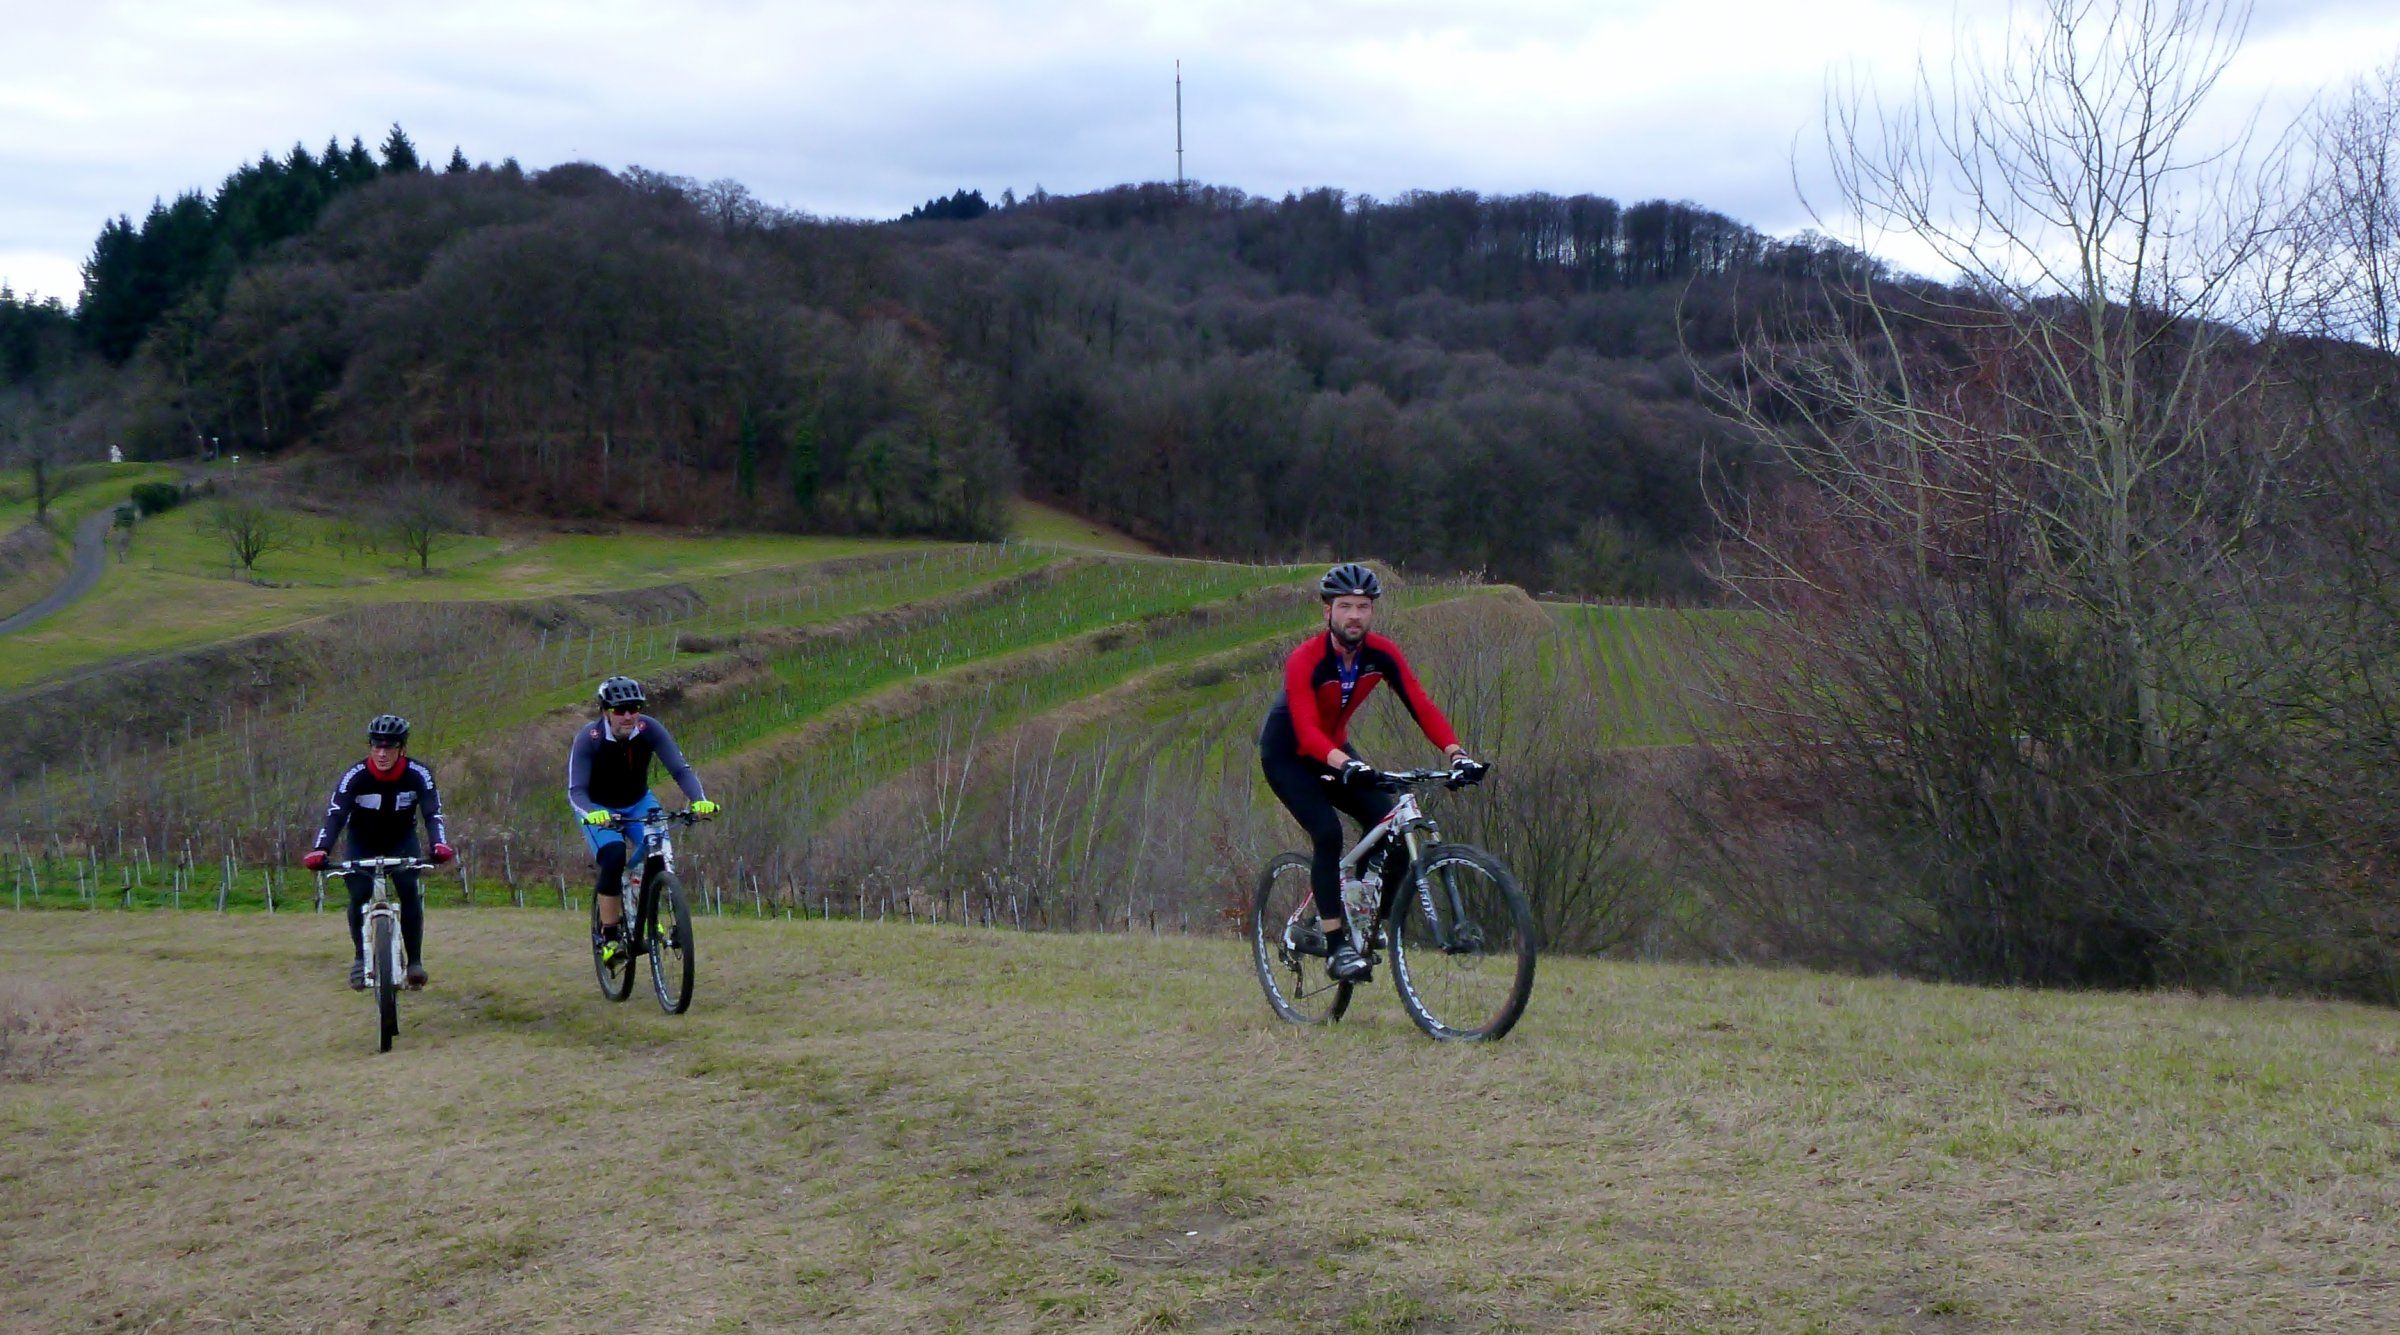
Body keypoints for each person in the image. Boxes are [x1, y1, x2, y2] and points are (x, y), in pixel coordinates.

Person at [1259, 563, 1487, 982]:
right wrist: (1347, 765)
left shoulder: (1381, 654)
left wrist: (1457, 753)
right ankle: (1336, 947)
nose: (1355, 616)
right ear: (1327, 611)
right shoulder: (1306, 659)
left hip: (1336, 751)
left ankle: (1367, 919)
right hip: (1289, 755)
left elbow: (1419, 703)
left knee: (1391, 828)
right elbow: (1307, 732)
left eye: (1363, 607)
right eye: (1345, 606)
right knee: (1328, 834)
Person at [567, 675, 718, 965]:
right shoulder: (589, 739)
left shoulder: (650, 729)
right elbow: (576, 791)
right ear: (605, 711)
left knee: (660, 853)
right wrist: (592, 812)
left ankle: (654, 914)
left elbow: (680, 769)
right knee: (613, 856)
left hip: (638, 802)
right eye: (620, 710)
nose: (628, 716)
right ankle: (610, 936)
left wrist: (698, 799)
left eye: (634, 708)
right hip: (598, 807)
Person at [302, 714, 453, 990]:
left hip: (401, 840)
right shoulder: (355, 776)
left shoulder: (419, 774)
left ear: (402, 748)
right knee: (359, 894)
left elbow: (433, 812)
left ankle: (415, 962)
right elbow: (335, 814)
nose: (382, 753)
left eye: (389, 747)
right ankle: (361, 959)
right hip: (362, 842)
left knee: (408, 889)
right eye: (376, 746)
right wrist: (320, 849)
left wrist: (439, 844)